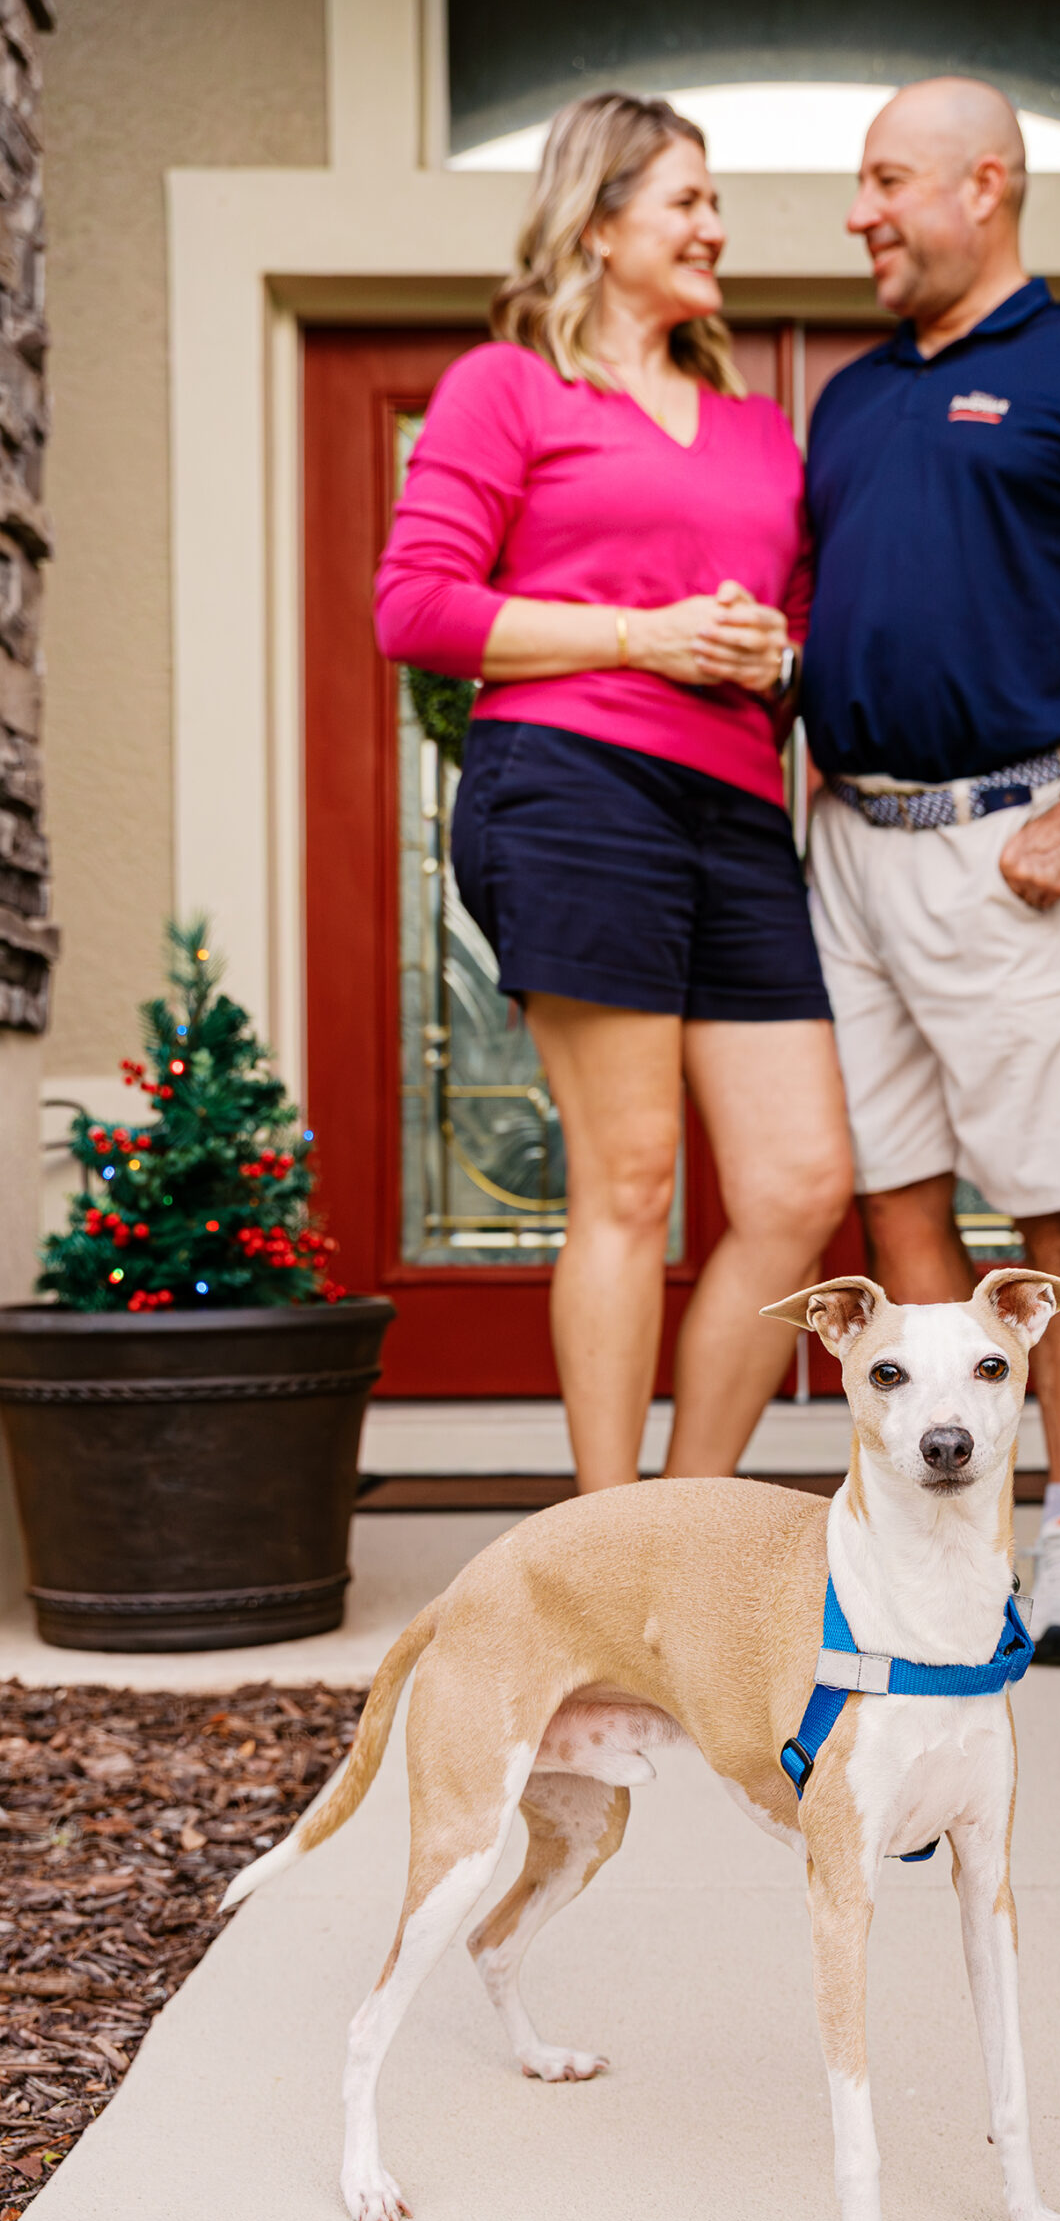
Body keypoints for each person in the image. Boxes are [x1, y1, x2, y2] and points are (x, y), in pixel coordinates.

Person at [801, 77, 1060, 1662]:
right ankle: (949, 1532)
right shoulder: (846, 399)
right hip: (844, 843)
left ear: (987, 185)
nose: (861, 214)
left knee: (1051, 1199)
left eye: (885, 181)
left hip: (1010, 845)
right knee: (894, 1192)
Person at [374, 92, 852, 1490]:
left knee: (796, 1184)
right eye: (688, 200)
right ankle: (606, 1539)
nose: (718, 228)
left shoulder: (763, 429)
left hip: (738, 815)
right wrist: (640, 637)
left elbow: (798, 626)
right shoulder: (508, 388)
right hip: (575, 786)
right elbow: (416, 607)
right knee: (632, 1182)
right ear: (599, 222)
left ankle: (684, 1518)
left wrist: (780, 656)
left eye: (715, 204)